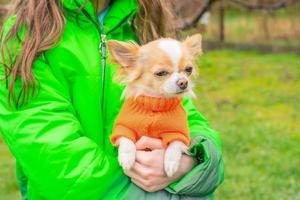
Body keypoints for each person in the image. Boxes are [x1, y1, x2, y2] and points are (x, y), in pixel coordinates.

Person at [0, 0, 224, 199]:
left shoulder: (143, 22)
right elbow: (48, 148)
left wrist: (191, 162)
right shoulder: (27, 35)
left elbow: (186, 117)